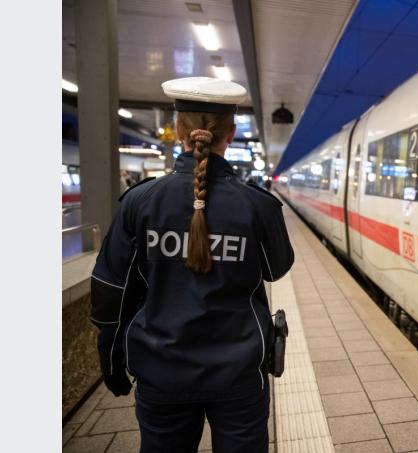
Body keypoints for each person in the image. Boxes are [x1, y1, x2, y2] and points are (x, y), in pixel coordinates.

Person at [89, 77, 294, 452]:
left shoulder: (139, 202)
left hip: (160, 368)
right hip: (239, 373)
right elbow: (276, 268)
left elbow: (110, 289)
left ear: (179, 131)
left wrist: (111, 355)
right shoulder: (258, 206)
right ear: (230, 134)